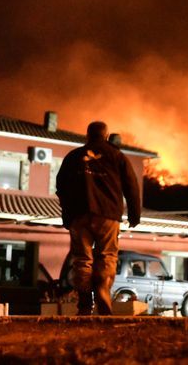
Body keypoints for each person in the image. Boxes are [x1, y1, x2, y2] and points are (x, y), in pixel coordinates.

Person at [56, 121, 141, 316]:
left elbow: (61, 187)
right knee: (107, 255)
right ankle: (103, 289)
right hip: (108, 215)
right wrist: (134, 215)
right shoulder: (117, 156)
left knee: (82, 259)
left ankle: (85, 304)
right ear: (106, 135)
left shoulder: (73, 156)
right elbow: (132, 186)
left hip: (80, 215)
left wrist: (68, 215)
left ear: (87, 135)